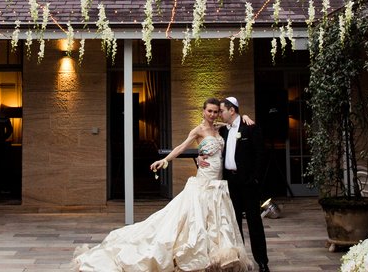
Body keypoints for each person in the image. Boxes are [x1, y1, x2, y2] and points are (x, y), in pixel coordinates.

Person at [71, 98, 257, 271]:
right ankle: (193, 255)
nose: (212, 115)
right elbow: (181, 147)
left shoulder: (220, 128)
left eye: (216, 111)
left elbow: (234, 124)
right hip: (203, 182)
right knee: (195, 222)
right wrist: (165, 161)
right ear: (203, 111)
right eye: (209, 111)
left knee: (215, 222)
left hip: (218, 184)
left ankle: (214, 257)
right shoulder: (198, 130)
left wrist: (246, 116)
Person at [219, 96, 270, 271]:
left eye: (222, 111)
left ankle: (262, 262)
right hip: (230, 183)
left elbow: (260, 155)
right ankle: (239, 261)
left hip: (247, 183)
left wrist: (254, 178)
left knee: (254, 222)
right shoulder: (224, 131)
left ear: (231, 110)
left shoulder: (250, 128)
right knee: (235, 224)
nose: (220, 114)